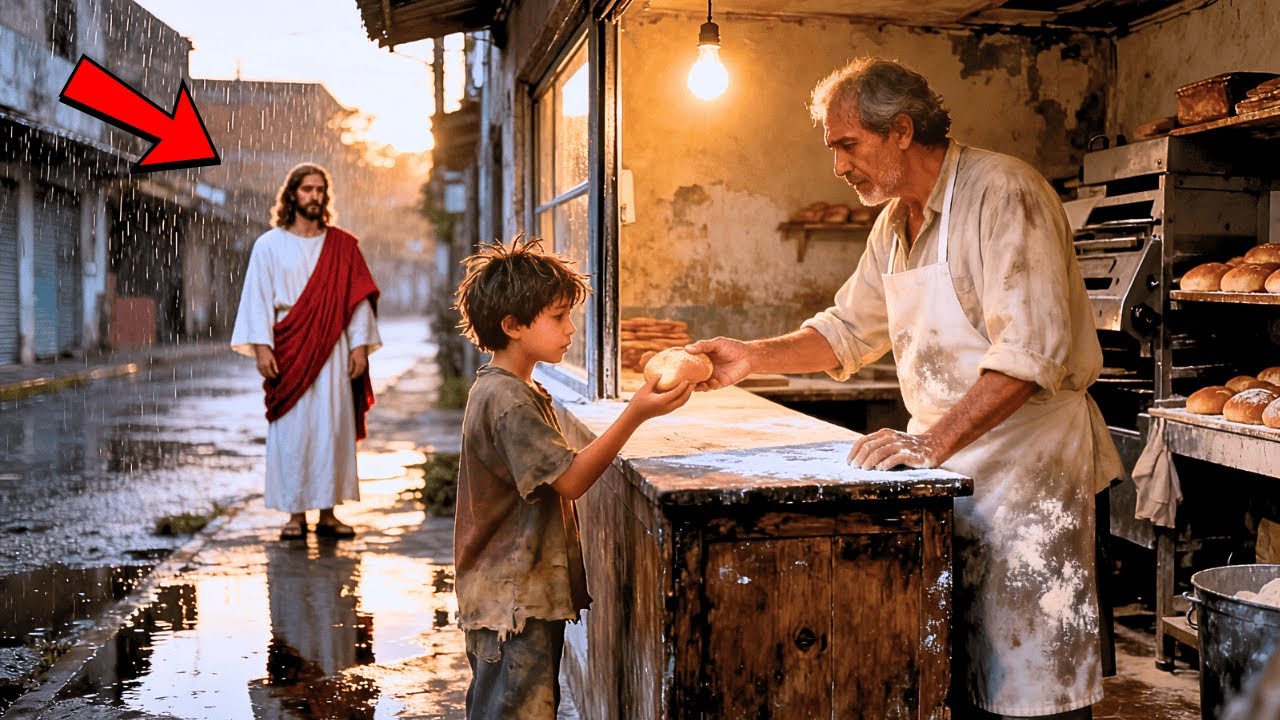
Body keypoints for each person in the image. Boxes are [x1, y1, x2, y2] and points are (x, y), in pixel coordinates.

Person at [687, 58, 1123, 720]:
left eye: (846, 144)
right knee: (963, 676)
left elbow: (1029, 354)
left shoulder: (1004, 193)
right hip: (950, 473)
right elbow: (845, 331)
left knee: (1035, 679)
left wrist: (930, 442)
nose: (837, 166)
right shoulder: (894, 224)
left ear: (901, 131)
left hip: (1030, 476)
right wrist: (751, 354)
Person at [452, 236, 693, 719]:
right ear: (513, 326)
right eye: (558, 317)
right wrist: (635, 414)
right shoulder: (510, 401)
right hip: (513, 603)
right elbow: (570, 480)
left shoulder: (512, 387)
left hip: (509, 596)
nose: (570, 328)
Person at [231, 163, 381, 541]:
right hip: (289, 349)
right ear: (292, 194)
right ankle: (295, 516)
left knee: (332, 429)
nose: (314, 196)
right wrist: (262, 346)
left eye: (320, 190)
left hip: (334, 349)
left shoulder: (344, 246)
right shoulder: (268, 245)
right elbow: (257, 299)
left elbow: (358, 299)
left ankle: (328, 514)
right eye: (307, 189)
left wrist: (360, 346)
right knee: (293, 434)